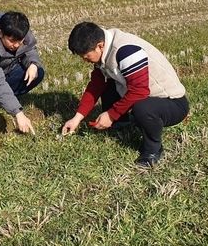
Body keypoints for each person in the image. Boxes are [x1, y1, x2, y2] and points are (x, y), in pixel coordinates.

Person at [62, 22, 189, 167]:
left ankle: (153, 150)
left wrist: (111, 115)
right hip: (149, 96)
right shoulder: (104, 49)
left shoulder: (126, 51)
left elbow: (139, 91)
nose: (85, 61)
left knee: (142, 108)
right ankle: (122, 123)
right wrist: (77, 118)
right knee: (108, 82)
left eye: (86, 57)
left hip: (173, 103)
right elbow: (96, 85)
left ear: (100, 46)